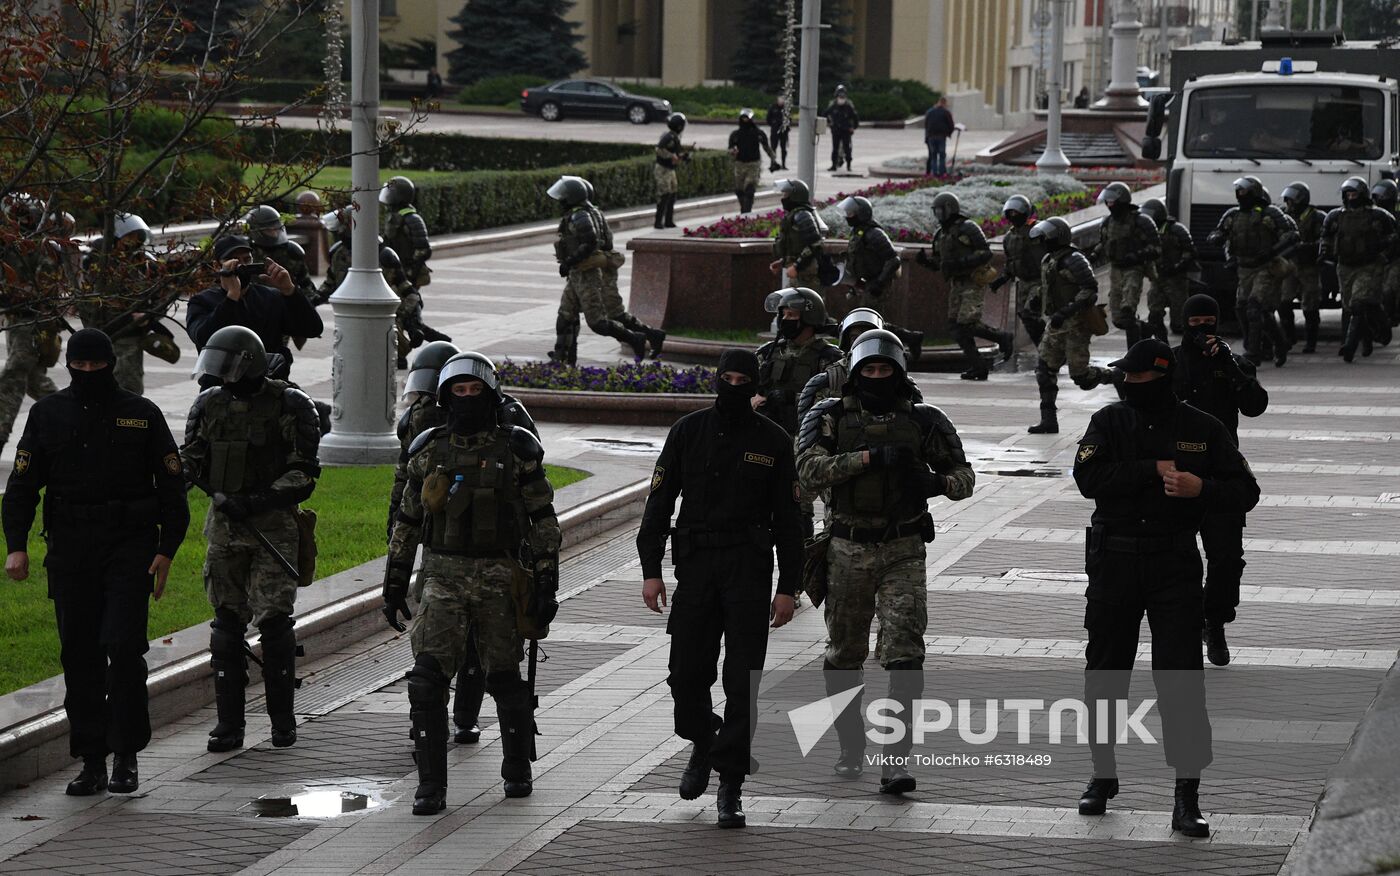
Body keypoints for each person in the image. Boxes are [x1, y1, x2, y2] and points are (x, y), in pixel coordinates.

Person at [1072, 338, 1260, 838]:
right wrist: (1148, 470)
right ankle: (1102, 774)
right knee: (1105, 672)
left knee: (1180, 679)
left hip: (1173, 562)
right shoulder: (1109, 422)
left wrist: (1204, 489)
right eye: (1125, 379)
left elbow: (1247, 491)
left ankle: (1186, 796)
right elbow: (1087, 476)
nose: (1128, 386)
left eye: (1137, 379)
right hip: (1113, 561)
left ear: (1161, 378)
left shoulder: (1202, 427)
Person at [3, 329, 189, 797]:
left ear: (111, 364)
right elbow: (23, 487)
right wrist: (17, 545)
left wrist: (167, 549)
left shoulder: (141, 414)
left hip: (130, 545)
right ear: (69, 366)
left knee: (124, 648)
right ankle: (91, 759)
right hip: (70, 548)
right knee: (79, 653)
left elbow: (172, 487)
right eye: (79, 367)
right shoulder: (48, 414)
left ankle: (126, 754)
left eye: (96, 367)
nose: (88, 374)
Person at [797, 329, 974, 795]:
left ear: (899, 373)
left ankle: (895, 761)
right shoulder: (830, 416)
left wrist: (932, 482)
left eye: (885, 369)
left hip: (903, 548)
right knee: (844, 654)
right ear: (856, 373)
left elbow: (964, 477)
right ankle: (850, 745)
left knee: (905, 656)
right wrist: (869, 458)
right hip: (846, 548)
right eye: (869, 370)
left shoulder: (925, 420)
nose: (878, 376)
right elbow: (808, 473)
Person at [383, 353, 561, 813]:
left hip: (500, 576)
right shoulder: (428, 448)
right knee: (426, 681)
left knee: (503, 679)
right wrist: (396, 577)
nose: (466, 399)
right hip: (442, 576)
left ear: (490, 393)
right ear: (444, 397)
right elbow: (407, 517)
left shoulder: (516, 449)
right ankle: (430, 786)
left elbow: (542, 518)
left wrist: (546, 582)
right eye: (457, 391)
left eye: (474, 390)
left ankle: (517, 767)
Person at [637, 348, 802, 829]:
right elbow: (658, 504)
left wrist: (788, 586)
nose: (733, 386)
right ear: (716, 381)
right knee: (685, 676)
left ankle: (730, 785)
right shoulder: (687, 432)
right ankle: (704, 743)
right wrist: (651, 570)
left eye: (742, 379)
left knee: (741, 682)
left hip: (748, 571)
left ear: (755, 385)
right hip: (696, 569)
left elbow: (789, 522)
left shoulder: (773, 440)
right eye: (725, 377)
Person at [180, 326, 321, 754]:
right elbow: (191, 458)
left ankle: (282, 721)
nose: (222, 375)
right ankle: (229, 725)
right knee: (226, 625)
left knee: (275, 623)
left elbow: (305, 472)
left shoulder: (292, 405)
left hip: (272, 527)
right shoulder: (208, 404)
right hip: (224, 529)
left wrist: (259, 500)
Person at [1172, 294, 1267, 667]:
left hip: (1222, 474)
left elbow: (1256, 405)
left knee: (1226, 559)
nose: (1202, 328)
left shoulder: (1232, 363)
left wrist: (1229, 365)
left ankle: (1216, 622)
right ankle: (1185, 624)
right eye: (1195, 322)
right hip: (1177, 473)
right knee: (1176, 558)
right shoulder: (1171, 364)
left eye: (1209, 321)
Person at [186, 235, 324, 382]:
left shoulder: (270, 297)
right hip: (221, 389)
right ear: (216, 265)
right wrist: (232, 296)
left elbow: (312, 329)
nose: (242, 266)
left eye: (247, 260)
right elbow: (203, 337)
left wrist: (290, 291)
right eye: (234, 261)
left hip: (269, 387)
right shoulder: (202, 301)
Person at [546, 175, 653, 364]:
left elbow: (591, 242)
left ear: (571, 197)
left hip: (588, 274)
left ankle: (634, 338)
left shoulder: (581, 215)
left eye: (563, 197)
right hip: (578, 273)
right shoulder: (582, 212)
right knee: (565, 314)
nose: (560, 201)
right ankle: (562, 358)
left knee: (597, 322)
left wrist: (568, 262)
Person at [1027, 217, 1117, 435]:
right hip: (1056, 324)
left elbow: (1090, 289)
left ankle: (1116, 376)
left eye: (1046, 237)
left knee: (1081, 377)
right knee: (1044, 369)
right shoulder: (1049, 259)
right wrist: (1035, 301)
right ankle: (1048, 420)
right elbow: (1048, 286)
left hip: (1075, 324)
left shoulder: (1075, 259)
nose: (1043, 241)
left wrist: (1066, 311)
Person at [917, 191, 1013, 380]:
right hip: (956, 283)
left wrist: (961, 262)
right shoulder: (940, 234)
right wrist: (926, 262)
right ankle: (977, 366)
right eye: (935, 211)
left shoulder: (968, 227)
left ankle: (1002, 337)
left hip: (972, 281)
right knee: (956, 327)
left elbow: (985, 253)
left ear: (950, 209)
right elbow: (940, 262)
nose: (938, 215)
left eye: (940, 210)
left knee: (967, 323)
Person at [1207, 176, 1297, 367]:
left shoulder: (1270, 213)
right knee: (1242, 308)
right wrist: (1217, 239)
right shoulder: (1233, 215)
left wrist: (1273, 251)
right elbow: (1218, 232)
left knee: (1255, 307)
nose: (1241, 195)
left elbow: (1291, 234)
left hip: (1265, 267)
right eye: (1238, 191)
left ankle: (1252, 352)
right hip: (1244, 269)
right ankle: (1278, 344)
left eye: (1244, 191)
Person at [0, 194, 60, 454]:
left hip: (31, 322)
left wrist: (8, 295)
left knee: (12, 377)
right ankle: (77, 418)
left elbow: (43, 292)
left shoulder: (41, 248)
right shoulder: (8, 246)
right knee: (35, 382)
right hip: (15, 323)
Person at [580, 179, 665, 358]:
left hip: (600, 268)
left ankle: (647, 336)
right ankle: (563, 352)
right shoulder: (592, 213)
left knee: (614, 314)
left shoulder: (589, 216)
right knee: (570, 312)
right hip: (594, 268)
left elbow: (604, 243)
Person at [79, 212, 162, 394]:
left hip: (130, 334)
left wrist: (149, 315)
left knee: (129, 388)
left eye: (137, 236)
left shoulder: (144, 263)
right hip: (103, 331)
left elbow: (160, 294)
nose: (133, 240)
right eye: (129, 236)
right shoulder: (98, 261)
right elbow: (86, 299)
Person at [797, 308, 924, 426]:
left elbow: (919, 421)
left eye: (884, 369)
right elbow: (810, 428)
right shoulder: (829, 378)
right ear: (846, 340)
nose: (862, 341)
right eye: (854, 337)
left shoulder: (901, 379)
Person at [835, 195, 924, 359]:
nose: (848, 216)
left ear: (861, 213)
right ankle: (910, 337)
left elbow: (893, 259)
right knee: (869, 320)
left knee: (870, 321)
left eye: (851, 213)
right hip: (867, 282)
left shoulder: (874, 233)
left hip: (877, 283)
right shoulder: (858, 232)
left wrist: (879, 283)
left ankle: (890, 347)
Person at [1320, 177, 1396, 362]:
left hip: (1369, 265)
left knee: (1358, 303)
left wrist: (1382, 250)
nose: (1351, 197)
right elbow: (1326, 236)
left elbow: (1393, 236)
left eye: (1354, 194)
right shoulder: (1336, 216)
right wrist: (1324, 253)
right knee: (1350, 306)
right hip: (1345, 266)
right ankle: (1368, 337)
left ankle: (1350, 346)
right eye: (1348, 194)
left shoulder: (1378, 215)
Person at [1094, 183, 1162, 350]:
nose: (1109, 205)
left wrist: (1137, 256)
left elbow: (1157, 248)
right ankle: (1146, 330)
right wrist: (1094, 256)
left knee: (1128, 310)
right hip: (1115, 271)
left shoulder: (1141, 221)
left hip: (1134, 270)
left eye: (1112, 201)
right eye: (1107, 202)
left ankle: (1133, 354)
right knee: (1117, 318)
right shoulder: (1108, 222)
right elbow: (1103, 244)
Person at [990, 194, 1047, 348]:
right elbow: (1011, 262)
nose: (1013, 216)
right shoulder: (1009, 237)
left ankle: (1049, 350)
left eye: (1017, 212)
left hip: (1039, 281)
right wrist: (1001, 279)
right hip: (1023, 283)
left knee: (1031, 315)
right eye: (1011, 213)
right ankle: (1046, 351)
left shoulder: (1038, 231)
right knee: (1026, 317)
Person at [1140, 197, 1198, 338]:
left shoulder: (1176, 230)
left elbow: (1190, 251)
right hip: (1158, 278)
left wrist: (1177, 266)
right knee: (1155, 314)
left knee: (1180, 320)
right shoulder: (1146, 232)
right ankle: (1162, 345)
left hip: (1176, 279)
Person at [1281, 182, 1326, 353]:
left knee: (1310, 306)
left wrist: (1306, 247)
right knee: (1283, 302)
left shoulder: (1316, 217)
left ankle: (1311, 342)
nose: (1289, 204)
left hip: (1309, 267)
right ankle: (1289, 337)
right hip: (1290, 265)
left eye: (1292, 201)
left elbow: (1324, 240)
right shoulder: (1285, 216)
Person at [244, 205, 317, 303]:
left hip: (287, 304)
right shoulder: (246, 253)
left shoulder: (292, 252)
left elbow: (306, 287)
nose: (274, 233)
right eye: (269, 230)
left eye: (276, 228)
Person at [769, 179, 826, 289]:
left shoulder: (803, 215)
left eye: (786, 194)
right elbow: (796, 246)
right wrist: (783, 261)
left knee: (805, 304)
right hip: (800, 275)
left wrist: (797, 266)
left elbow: (815, 244)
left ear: (795, 196)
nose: (784, 198)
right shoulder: (794, 215)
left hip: (806, 276)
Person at [381, 176, 433, 292]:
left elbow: (424, 249)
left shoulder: (413, 219)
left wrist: (411, 273)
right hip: (394, 270)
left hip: (409, 270)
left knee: (408, 304)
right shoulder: (392, 218)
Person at [728, 108, 775, 214]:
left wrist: (773, 158)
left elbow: (766, 146)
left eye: (747, 118)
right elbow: (730, 148)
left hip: (753, 164)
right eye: (743, 118)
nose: (745, 121)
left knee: (750, 188)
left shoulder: (758, 133)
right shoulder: (735, 135)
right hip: (739, 164)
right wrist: (732, 152)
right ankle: (743, 207)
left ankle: (746, 212)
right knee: (739, 189)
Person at [1369, 180, 1400, 326]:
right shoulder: (1373, 213)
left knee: (1389, 289)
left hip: (1395, 258)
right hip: (1378, 258)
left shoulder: (1396, 213)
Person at [654, 113, 689, 229]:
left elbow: (677, 153)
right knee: (664, 194)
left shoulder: (675, 137)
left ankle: (669, 220)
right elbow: (659, 149)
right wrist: (670, 156)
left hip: (671, 170)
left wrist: (683, 157)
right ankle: (658, 221)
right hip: (663, 169)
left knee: (672, 194)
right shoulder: (668, 136)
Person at [823, 84, 859, 172]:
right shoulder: (833, 105)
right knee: (835, 148)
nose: (841, 97)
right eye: (839, 95)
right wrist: (829, 123)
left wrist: (853, 127)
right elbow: (825, 113)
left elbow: (855, 117)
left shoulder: (848, 105)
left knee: (847, 148)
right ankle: (833, 165)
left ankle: (849, 165)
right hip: (836, 130)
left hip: (846, 130)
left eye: (843, 95)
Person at [923, 97, 955, 176]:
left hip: (931, 136)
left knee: (933, 156)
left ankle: (934, 173)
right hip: (941, 136)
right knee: (942, 155)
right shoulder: (946, 112)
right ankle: (942, 173)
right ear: (944, 103)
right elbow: (951, 125)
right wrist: (949, 133)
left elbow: (926, 124)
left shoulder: (929, 112)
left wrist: (927, 136)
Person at [766, 96, 789, 169]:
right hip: (775, 131)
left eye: (783, 100)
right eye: (780, 99)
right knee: (773, 148)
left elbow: (789, 119)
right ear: (777, 100)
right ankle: (772, 163)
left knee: (783, 149)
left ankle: (783, 164)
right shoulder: (773, 107)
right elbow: (768, 119)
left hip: (783, 131)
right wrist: (773, 124)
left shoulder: (786, 109)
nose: (781, 101)